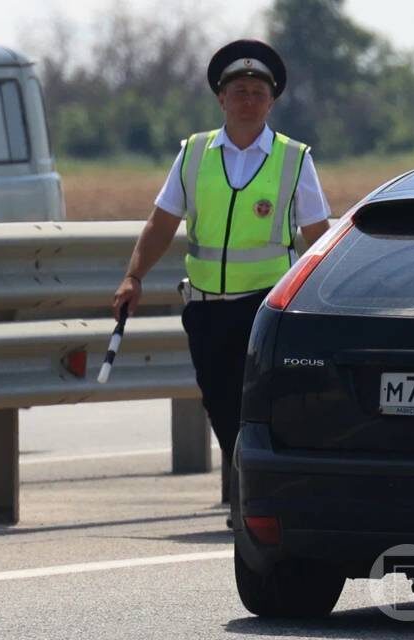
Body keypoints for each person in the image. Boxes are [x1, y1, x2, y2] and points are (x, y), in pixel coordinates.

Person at [111, 39, 332, 506]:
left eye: (257, 92)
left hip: (267, 309)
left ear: (271, 102)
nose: (248, 100)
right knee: (220, 403)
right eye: (239, 91)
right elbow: (161, 222)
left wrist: (327, 297)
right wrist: (134, 276)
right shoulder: (194, 154)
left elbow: (318, 234)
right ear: (221, 98)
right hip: (208, 308)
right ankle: (245, 492)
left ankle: (248, 501)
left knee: (258, 404)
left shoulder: (295, 159)